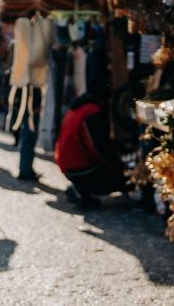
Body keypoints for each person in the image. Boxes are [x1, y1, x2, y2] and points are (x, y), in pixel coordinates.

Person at [54, 80, 127, 209]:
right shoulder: (91, 110)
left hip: (67, 162)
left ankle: (81, 189)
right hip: (78, 166)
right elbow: (97, 146)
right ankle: (83, 190)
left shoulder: (78, 106)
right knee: (122, 179)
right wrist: (118, 165)